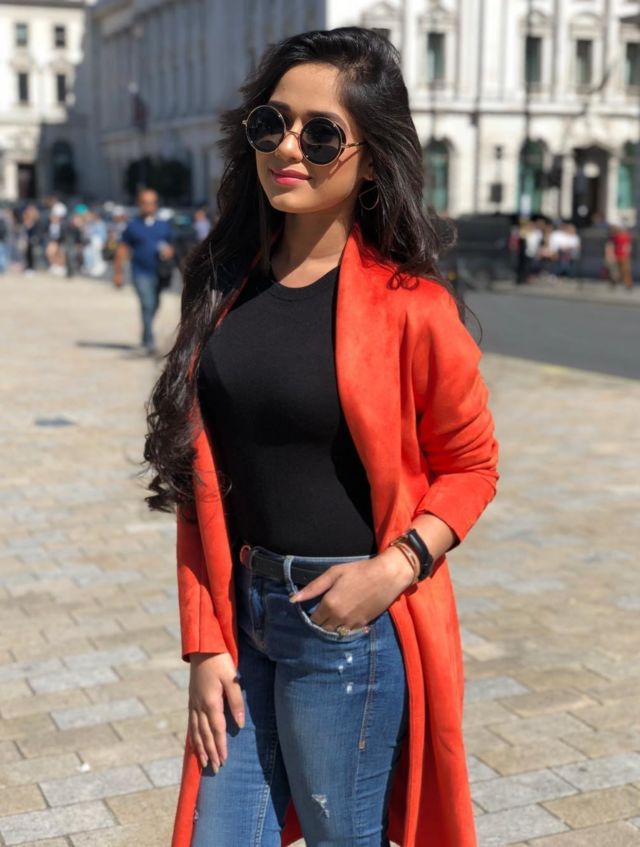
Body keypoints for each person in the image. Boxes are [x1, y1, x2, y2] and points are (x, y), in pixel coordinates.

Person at [143, 28, 499, 847]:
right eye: (272, 123)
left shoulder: (414, 307)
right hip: (242, 614)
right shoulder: (223, 284)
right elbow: (199, 482)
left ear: (370, 161)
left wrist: (394, 567)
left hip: (348, 628)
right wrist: (204, 645)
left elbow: (472, 465)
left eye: (322, 133)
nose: (287, 148)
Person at [113, 188, 174, 354]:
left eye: (152, 203)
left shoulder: (163, 226)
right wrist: (118, 273)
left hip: (160, 273)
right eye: (145, 203)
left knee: (155, 304)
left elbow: (172, 246)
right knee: (147, 303)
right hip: (140, 272)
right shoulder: (132, 226)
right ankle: (149, 341)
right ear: (139, 204)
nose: (149, 206)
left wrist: (169, 252)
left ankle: (146, 332)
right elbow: (122, 249)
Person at [606, 223, 633, 290]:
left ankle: (628, 284)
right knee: (616, 271)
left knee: (625, 270)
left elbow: (627, 246)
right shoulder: (615, 237)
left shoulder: (624, 236)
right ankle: (615, 282)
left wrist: (627, 254)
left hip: (623, 255)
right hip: (617, 255)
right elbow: (612, 245)